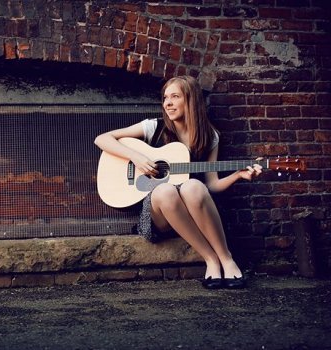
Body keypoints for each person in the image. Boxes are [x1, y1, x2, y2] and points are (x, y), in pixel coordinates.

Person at [94, 75, 262, 289]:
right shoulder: (153, 127)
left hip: (192, 211)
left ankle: (226, 259)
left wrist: (238, 175)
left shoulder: (209, 136)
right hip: (159, 216)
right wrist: (136, 157)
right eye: (165, 98)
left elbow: (211, 186)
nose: (168, 103)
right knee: (165, 190)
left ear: (191, 100)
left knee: (193, 185)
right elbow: (102, 139)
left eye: (175, 97)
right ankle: (210, 259)